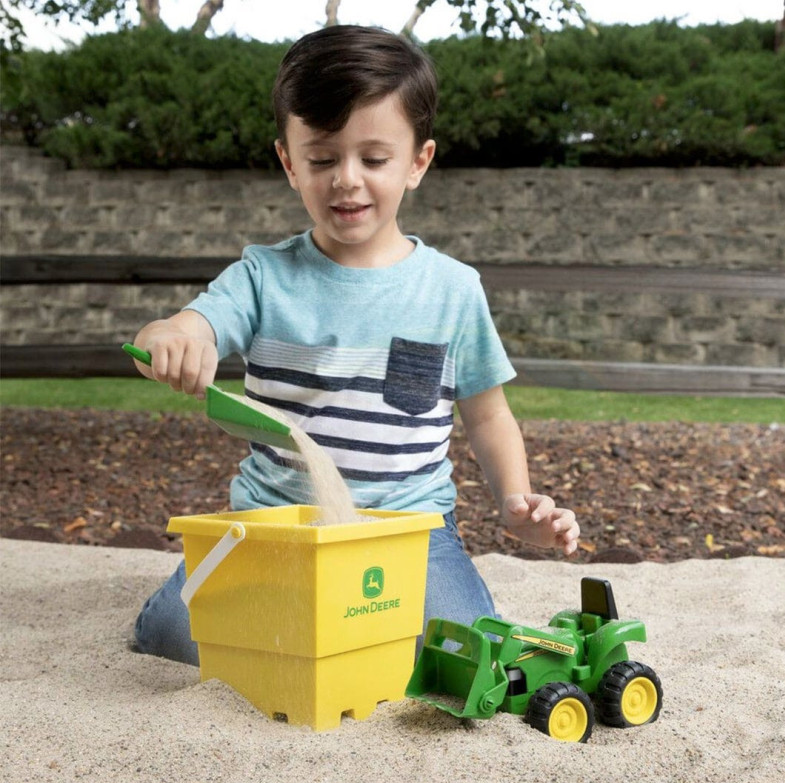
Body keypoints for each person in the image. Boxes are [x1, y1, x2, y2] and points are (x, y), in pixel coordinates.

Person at [132, 25, 580, 665]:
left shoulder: (452, 290)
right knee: (175, 636)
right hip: (275, 526)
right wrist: (170, 337)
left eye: (373, 159)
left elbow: (487, 415)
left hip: (406, 532)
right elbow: (189, 324)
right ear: (289, 163)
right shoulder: (264, 277)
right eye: (322, 159)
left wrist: (515, 500)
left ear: (417, 163)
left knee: (462, 648)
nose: (347, 180)